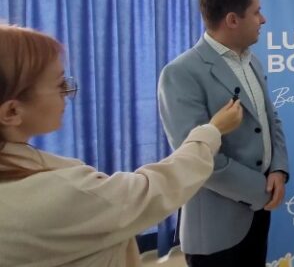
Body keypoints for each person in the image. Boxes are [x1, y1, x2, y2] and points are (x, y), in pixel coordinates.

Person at [0, 25, 243, 266]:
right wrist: (212, 131)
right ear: (12, 112)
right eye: (59, 85)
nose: (67, 92)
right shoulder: (51, 197)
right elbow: (153, 190)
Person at [158, 0, 289, 267]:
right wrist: (261, 189)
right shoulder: (181, 73)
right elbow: (197, 157)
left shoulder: (252, 61)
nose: (263, 19)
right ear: (232, 20)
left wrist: (279, 169)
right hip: (216, 229)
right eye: (256, 12)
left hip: (259, 215)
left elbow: (271, 120)